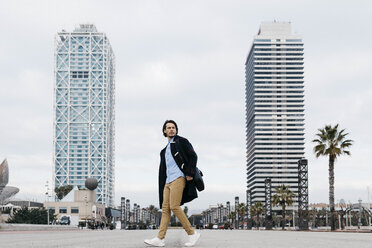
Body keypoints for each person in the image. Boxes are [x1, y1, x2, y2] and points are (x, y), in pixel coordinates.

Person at [144, 120, 201, 247]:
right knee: (165, 209)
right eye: (168, 128)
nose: (171, 129)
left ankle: (192, 233)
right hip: (167, 182)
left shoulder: (181, 141)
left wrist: (190, 173)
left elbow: (193, 156)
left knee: (174, 206)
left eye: (173, 127)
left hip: (179, 178)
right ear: (164, 131)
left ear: (176, 130)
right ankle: (160, 238)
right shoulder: (164, 151)